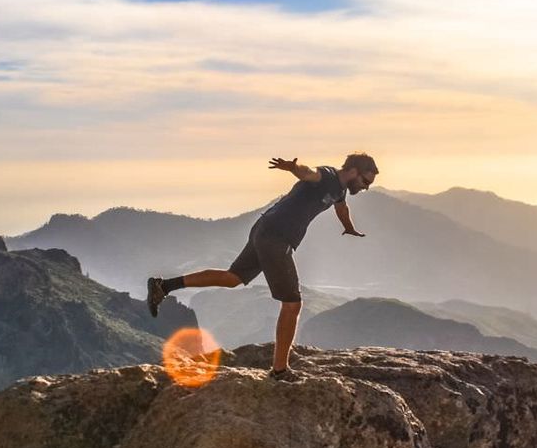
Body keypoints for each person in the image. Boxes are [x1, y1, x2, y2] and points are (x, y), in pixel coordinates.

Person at [147, 152, 379, 376]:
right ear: (354, 171)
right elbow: (309, 173)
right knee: (292, 304)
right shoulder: (327, 176)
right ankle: (279, 371)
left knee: (233, 278)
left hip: (265, 229)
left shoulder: (339, 189)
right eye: (365, 181)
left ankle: (164, 286)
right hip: (276, 237)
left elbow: (341, 208)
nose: (366, 187)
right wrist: (293, 168)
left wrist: (348, 228)